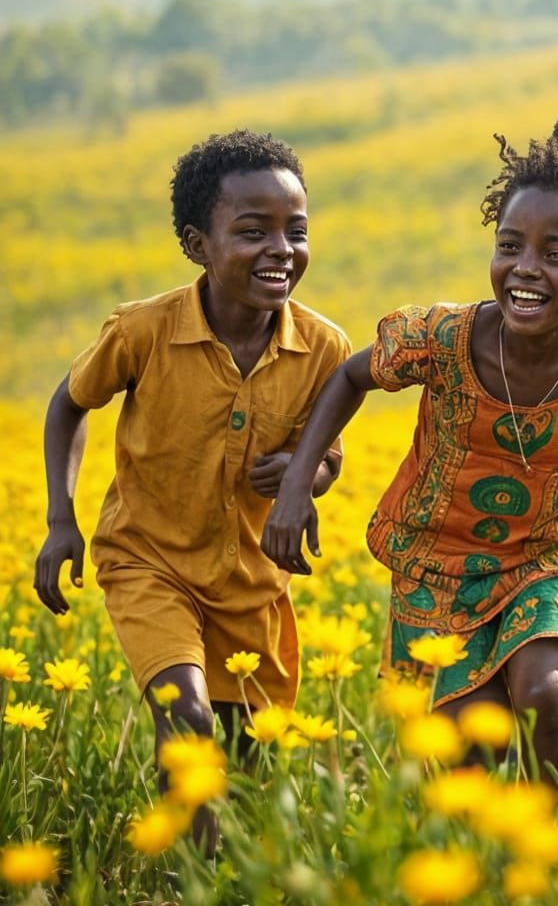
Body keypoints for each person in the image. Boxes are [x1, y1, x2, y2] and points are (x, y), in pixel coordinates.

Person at [261, 106, 558, 784]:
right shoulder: (441, 338)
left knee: (542, 693)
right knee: (470, 754)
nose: (525, 270)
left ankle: (545, 839)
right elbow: (351, 374)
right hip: (434, 566)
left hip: (540, 560)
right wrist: (298, 483)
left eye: (557, 255)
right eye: (510, 247)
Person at [34, 130, 351, 831]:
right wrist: (62, 518)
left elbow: (326, 457)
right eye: (251, 231)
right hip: (148, 560)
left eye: (296, 231)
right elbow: (69, 403)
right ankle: (188, 878)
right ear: (196, 244)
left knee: (245, 763)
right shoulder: (143, 330)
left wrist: (308, 475)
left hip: (252, 583)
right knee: (188, 716)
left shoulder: (325, 348)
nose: (281, 249)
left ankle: (216, 860)